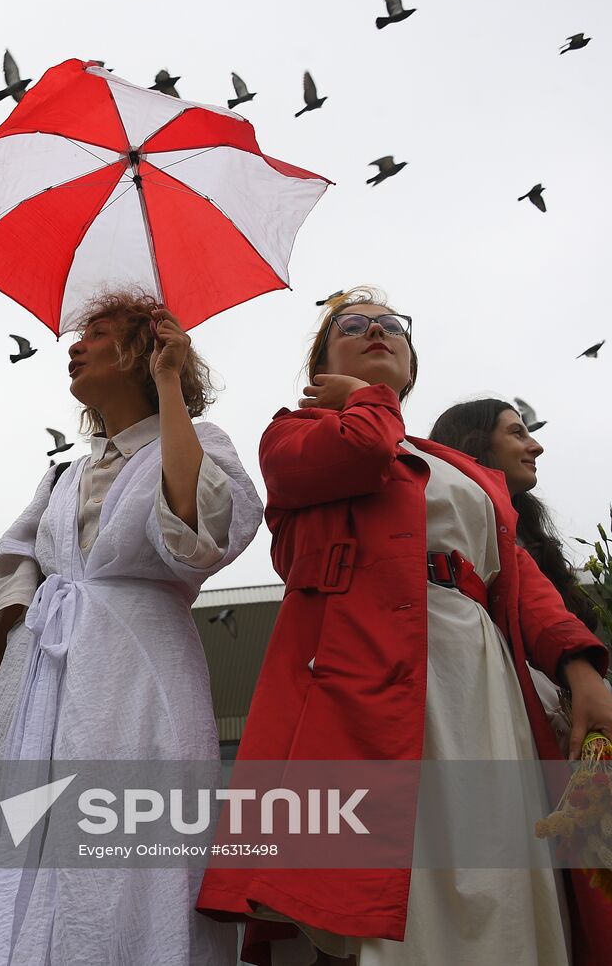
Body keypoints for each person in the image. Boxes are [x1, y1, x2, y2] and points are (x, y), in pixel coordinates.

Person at [196, 288, 612, 965]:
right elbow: (361, 451)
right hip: (366, 682)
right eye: (352, 327)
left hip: (478, 679)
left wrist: (581, 669)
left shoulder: (468, 471)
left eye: (392, 326)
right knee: (394, 875)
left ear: (412, 363)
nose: (376, 331)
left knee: (499, 859)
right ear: (320, 365)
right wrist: (368, 397)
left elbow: (521, 584)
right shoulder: (295, 435)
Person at [0, 290, 263, 966]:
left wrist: (168, 384)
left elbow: (199, 536)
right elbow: (11, 618)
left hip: (137, 681)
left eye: (98, 333)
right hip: (35, 692)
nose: (76, 344)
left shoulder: (197, 443)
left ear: (143, 349)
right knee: (16, 852)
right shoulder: (61, 479)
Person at [430, 398, 600, 633]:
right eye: (517, 434)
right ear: (477, 443)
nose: (537, 447)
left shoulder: (527, 538)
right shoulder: (439, 532)